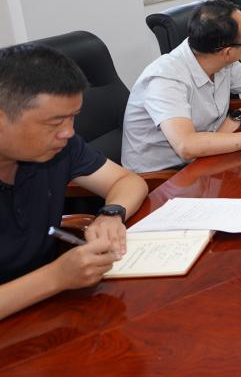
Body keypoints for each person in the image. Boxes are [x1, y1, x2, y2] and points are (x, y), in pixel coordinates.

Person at [0, 44, 148, 320]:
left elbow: (126, 181)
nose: (68, 132)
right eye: (54, 123)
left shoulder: (60, 147)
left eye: (73, 118)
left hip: (50, 311)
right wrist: (55, 277)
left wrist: (111, 214)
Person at [122, 0, 241, 174]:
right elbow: (187, 146)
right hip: (165, 176)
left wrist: (235, 119)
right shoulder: (165, 77)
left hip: (207, 157)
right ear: (227, 52)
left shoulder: (224, 63)